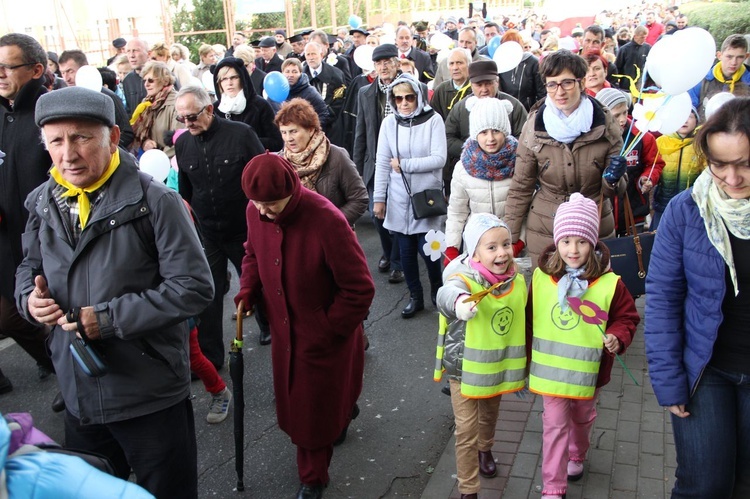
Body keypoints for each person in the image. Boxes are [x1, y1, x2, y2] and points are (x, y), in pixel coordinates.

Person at [16, 86, 214, 498]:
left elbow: (193, 288)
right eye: (56, 141)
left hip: (149, 396)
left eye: (81, 137)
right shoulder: (41, 202)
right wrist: (28, 301)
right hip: (79, 394)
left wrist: (104, 320)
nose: (68, 154)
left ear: (112, 137)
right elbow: (28, 268)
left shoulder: (157, 201)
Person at [234, 153, 375, 499]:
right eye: (258, 205)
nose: (264, 213)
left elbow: (359, 289)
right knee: (305, 402)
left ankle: (313, 478)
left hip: (324, 336)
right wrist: (248, 289)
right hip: (286, 334)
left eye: (272, 206)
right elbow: (253, 252)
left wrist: (325, 329)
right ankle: (341, 413)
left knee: (313, 413)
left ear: (291, 192)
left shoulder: (327, 219)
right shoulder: (256, 211)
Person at [645, 96, 750, 498]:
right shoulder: (686, 210)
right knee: (703, 485)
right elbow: (664, 296)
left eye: (743, 163)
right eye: (719, 163)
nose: (732, 177)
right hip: (706, 372)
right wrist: (669, 381)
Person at [528, 193, 639, 499]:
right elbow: (528, 318)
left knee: (581, 418)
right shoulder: (541, 277)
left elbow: (627, 316)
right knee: (554, 426)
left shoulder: (609, 282)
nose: (572, 250)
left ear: (592, 243)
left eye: (581, 241)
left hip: (589, 374)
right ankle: (553, 486)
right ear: (556, 242)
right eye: (565, 241)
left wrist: (618, 335)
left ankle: (577, 454)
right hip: (551, 376)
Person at [503, 50, 626, 268]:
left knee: (594, 299)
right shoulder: (534, 125)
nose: (559, 91)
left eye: (567, 83)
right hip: (546, 229)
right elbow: (521, 185)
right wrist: (509, 238)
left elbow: (614, 190)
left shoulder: (604, 123)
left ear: (581, 83)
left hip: (594, 226)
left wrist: (614, 178)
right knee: (549, 299)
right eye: (552, 84)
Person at [435, 213, 526, 499]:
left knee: (489, 416)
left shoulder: (517, 278)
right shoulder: (462, 277)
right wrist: (460, 303)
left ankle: (485, 449)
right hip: (462, 369)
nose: (502, 253)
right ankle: (468, 490)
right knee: (465, 431)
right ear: (473, 252)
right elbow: (447, 293)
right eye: (491, 247)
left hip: (495, 365)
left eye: (506, 244)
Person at [174, 86, 267, 357]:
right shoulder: (183, 143)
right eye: (182, 119)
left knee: (255, 283)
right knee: (208, 294)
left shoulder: (241, 135)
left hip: (244, 229)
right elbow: (185, 191)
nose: (187, 124)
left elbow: (263, 178)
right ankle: (210, 354)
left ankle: (269, 328)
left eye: (192, 117)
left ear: (209, 110)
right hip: (208, 232)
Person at [0, 33, 56, 394]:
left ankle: (74, 382)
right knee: (10, 317)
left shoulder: (52, 113)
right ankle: (59, 366)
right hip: (6, 244)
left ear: (36, 69)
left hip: (51, 238)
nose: (0, 74)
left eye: (7, 66)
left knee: (58, 318)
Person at [373, 73, 447, 318]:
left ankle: (438, 293)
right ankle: (415, 297)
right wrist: (379, 199)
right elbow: (383, 162)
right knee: (405, 254)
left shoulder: (433, 120)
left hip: (427, 199)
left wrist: (405, 164)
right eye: (398, 98)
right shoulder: (389, 123)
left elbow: (439, 159)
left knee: (431, 252)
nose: (404, 103)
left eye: (409, 97)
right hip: (399, 199)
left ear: (418, 96)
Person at [353, 44, 404, 285]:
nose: (383, 66)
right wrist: (356, 169)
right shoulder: (365, 93)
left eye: (388, 62)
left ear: (397, 63)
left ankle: (397, 262)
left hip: (401, 164)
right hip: (374, 164)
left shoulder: (411, 89)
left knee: (399, 215)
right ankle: (388, 251)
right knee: (377, 214)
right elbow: (360, 132)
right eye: (379, 63)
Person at [445, 98, 518, 261]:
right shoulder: (463, 167)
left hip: (511, 246)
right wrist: (452, 246)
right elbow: (457, 211)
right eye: (484, 132)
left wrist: (520, 241)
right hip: (478, 248)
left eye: (496, 131)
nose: (490, 138)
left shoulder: (519, 162)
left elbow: (527, 209)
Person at [275, 98, 368, 226]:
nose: (288, 138)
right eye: (283, 132)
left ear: (311, 129)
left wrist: (330, 223)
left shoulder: (336, 156)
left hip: (332, 237)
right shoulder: (280, 162)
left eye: (293, 131)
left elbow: (359, 198)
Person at [444, 59, 528, 196]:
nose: (484, 89)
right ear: (471, 85)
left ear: (497, 82)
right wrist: (474, 153)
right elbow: (448, 136)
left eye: (488, 83)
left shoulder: (513, 106)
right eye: (479, 84)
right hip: (472, 176)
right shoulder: (461, 108)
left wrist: (504, 151)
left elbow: (525, 137)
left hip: (508, 174)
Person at [595, 88, 663, 234]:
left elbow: (655, 163)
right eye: (616, 115)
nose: (622, 119)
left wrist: (647, 178)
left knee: (633, 253)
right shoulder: (594, 138)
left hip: (634, 210)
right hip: (602, 213)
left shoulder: (641, 136)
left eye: (625, 112)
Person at [57, 49, 135, 149]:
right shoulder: (65, 99)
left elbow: (127, 133)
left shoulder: (107, 97)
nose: (66, 78)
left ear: (85, 68)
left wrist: (103, 149)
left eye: (70, 71)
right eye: (63, 73)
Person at [213, 56, 282, 151]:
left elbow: (276, 142)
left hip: (254, 162)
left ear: (243, 78)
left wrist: (247, 141)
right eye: (224, 79)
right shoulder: (215, 109)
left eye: (234, 77)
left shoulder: (260, 105)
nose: (229, 83)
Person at [651, 107, 703, 231]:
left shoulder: (700, 144)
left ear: (696, 120)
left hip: (692, 204)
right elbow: (653, 168)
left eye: (689, 117)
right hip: (664, 201)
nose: (684, 121)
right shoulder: (661, 142)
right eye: (679, 117)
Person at [688, 34, 750, 121]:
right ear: (719, 55)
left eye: (740, 57)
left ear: (746, 56)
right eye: (729, 56)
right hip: (705, 130)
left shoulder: (748, 80)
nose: (734, 62)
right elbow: (690, 108)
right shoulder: (702, 78)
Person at [130, 61, 183, 158]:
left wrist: (160, 159)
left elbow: (179, 139)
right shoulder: (146, 103)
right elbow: (139, 133)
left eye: (151, 80)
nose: (146, 84)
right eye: (144, 80)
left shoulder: (177, 103)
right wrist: (145, 142)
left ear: (165, 81)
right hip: (152, 160)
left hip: (171, 163)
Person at [303, 41, 347, 136]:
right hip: (306, 127)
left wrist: (322, 118)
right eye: (308, 54)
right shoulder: (301, 76)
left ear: (321, 54)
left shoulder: (336, 75)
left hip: (332, 127)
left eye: (313, 54)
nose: (311, 57)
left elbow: (339, 102)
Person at [277, 58, 331, 131]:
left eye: (294, 72)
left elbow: (324, 114)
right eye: (287, 71)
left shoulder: (310, 93)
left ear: (300, 73)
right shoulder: (278, 91)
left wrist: (310, 131)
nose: (290, 75)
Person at [498, 29, 546, 111]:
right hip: (506, 111)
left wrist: (537, 112)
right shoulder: (500, 62)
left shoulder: (532, 61)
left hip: (527, 110)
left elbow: (541, 91)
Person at [430, 48, 473, 121]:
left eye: (459, 63)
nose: (455, 68)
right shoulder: (441, 90)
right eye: (451, 63)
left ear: (469, 65)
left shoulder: (475, 89)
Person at [614, 26, 650, 91]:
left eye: (645, 37)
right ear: (635, 36)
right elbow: (617, 67)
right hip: (626, 85)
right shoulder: (624, 49)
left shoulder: (648, 48)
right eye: (642, 37)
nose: (644, 39)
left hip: (642, 85)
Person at [122, 38, 150, 116]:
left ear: (148, 53)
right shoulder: (127, 80)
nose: (132, 55)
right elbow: (129, 109)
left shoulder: (162, 76)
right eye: (128, 51)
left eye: (136, 50)